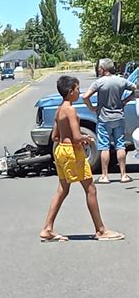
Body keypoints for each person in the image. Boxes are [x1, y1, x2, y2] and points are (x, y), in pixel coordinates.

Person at [40, 76, 125, 242]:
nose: (80, 91)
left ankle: (47, 228)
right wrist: (87, 138)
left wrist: (72, 138)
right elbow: (77, 136)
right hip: (72, 152)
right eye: (78, 89)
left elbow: (54, 136)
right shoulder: (70, 110)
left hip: (61, 151)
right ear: (71, 91)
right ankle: (100, 230)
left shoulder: (59, 110)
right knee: (91, 189)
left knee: (62, 189)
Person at [82, 58, 137, 184]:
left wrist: (92, 108)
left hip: (103, 118)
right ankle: (123, 175)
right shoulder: (121, 81)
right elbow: (135, 88)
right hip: (119, 117)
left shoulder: (99, 83)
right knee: (120, 145)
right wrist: (125, 101)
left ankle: (105, 176)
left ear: (103, 69)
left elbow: (85, 96)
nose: (98, 70)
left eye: (99, 68)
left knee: (104, 147)